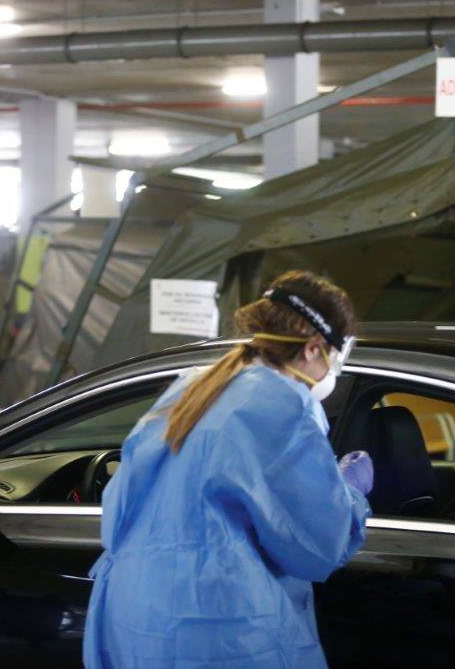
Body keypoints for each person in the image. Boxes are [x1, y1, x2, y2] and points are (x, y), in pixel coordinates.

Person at [83, 270, 373, 669]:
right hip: (218, 624)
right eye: (336, 356)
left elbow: (121, 504)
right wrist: (349, 494)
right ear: (313, 348)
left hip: (136, 615)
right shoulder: (284, 408)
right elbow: (315, 548)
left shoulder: (193, 387)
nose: (333, 370)